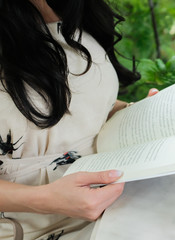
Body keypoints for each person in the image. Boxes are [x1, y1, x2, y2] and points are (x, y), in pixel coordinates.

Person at [0, 0, 158, 239]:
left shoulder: (78, 7)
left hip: (111, 207)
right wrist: (45, 200)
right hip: (32, 229)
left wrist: (137, 113)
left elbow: (75, 106)